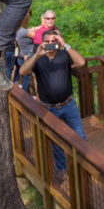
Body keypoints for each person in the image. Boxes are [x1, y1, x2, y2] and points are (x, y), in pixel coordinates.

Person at [19, 28, 87, 172]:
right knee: (56, 142)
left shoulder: (64, 54)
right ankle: (63, 171)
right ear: (42, 43)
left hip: (68, 105)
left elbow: (81, 62)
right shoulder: (38, 58)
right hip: (48, 108)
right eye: (47, 42)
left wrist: (65, 44)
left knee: (80, 137)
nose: (51, 44)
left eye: (53, 41)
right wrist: (37, 55)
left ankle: (84, 167)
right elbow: (22, 71)